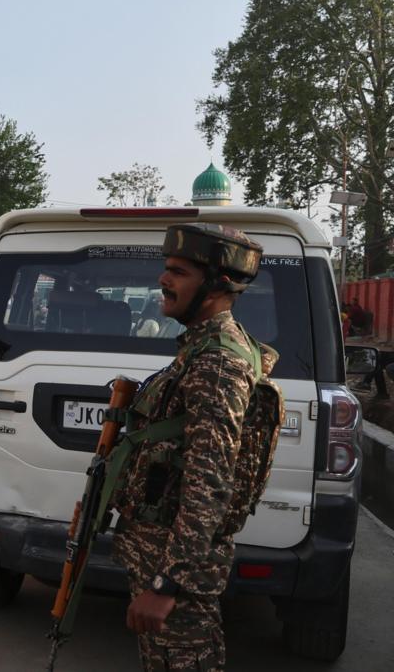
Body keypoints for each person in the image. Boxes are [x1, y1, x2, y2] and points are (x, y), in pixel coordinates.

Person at [112, 223, 268, 671]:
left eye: (178, 272)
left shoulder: (218, 363)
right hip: (160, 556)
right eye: (166, 269)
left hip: (176, 574)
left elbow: (209, 485)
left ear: (217, 285)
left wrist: (166, 584)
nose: (164, 280)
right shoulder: (198, 351)